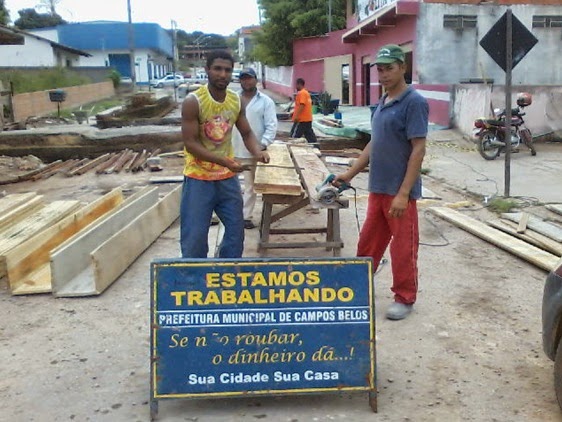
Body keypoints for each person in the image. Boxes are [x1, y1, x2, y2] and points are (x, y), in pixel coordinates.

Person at [335, 44, 429, 321]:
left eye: (389, 68)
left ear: (403, 67)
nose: (384, 74)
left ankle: (404, 297)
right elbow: (374, 143)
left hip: (400, 193)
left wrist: (403, 194)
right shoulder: (382, 102)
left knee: (403, 249)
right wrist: (349, 174)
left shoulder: (414, 102)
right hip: (378, 188)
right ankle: (358, 288)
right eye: (380, 69)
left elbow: (418, 149)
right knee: (368, 244)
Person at [180, 50, 270, 258]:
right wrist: (224, 161)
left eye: (227, 70)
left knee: (236, 232)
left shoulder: (235, 101)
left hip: (226, 179)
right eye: (217, 69)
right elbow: (190, 143)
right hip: (198, 178)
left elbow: (246, 132)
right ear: (207, 71)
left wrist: (258, 152)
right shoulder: (194, 101)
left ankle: (227, 274)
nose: (222, 74)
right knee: (195, 237)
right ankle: (196, 280)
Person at [231, 67, 278, 230]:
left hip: (253, 152)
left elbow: (271, 126)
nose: (246, 81)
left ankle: (245, 217)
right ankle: (228, 214)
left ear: (256, 80)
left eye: (249, 78)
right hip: (231, 150)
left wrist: (261, 146)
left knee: (250, 187)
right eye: (243, 78)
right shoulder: (232, 99)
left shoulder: (265, 102)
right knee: (230, 186)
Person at [290, 78, 317, 144]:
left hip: (301, 119)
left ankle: (292, 148)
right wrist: (293, 112)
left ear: (299, 84)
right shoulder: (306, 93)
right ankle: (316, 146)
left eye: (296, 85)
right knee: (310, 136)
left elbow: (302, 105)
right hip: (307, 119)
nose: (296, 87)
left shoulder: (301, 93)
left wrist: (296, 116)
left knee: (294, 136)